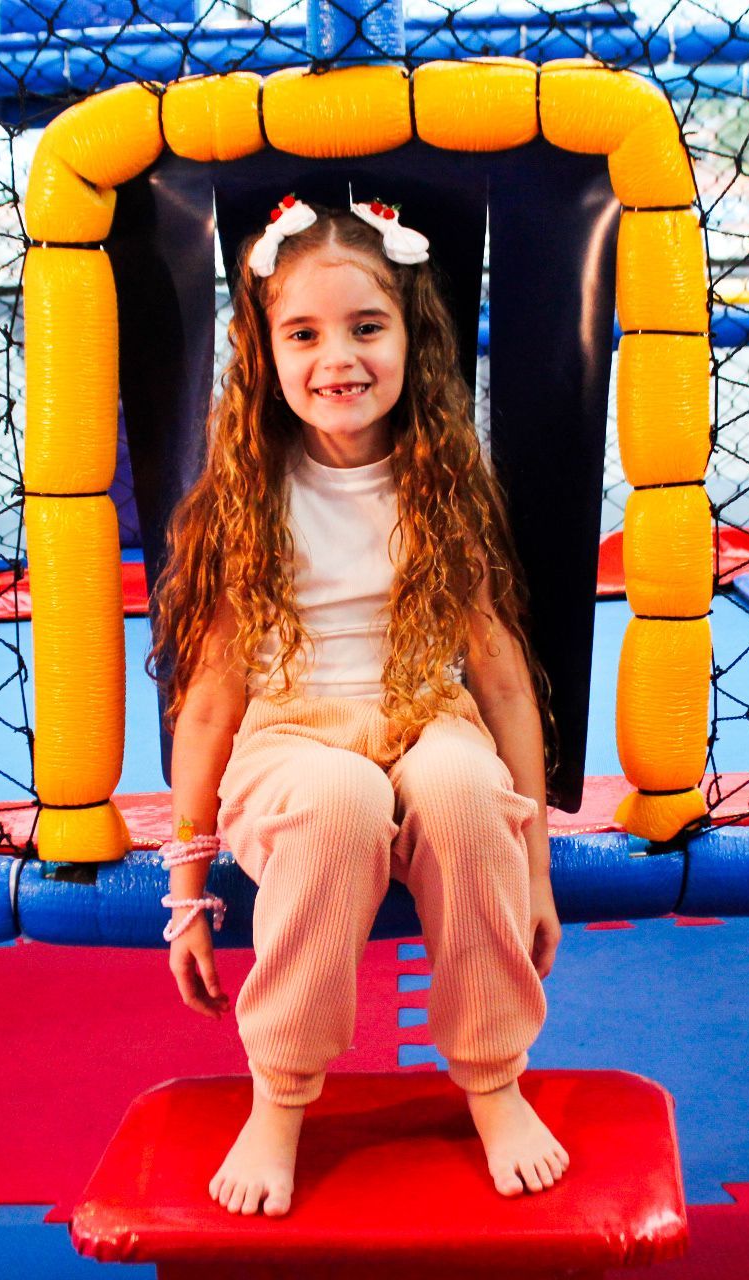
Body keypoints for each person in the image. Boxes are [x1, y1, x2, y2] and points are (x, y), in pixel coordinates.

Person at [145, 192, 569, 1218]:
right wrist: (189, 888)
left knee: (467, 792)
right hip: (291, 736)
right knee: (335, 799)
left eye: (365, 326)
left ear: (410, 339)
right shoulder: (249, 493)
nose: (338, 356)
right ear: (267, 351)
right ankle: (280, 1095)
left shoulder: (441, 478)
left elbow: (503, 676)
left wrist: (536, 862)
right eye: (305, 333)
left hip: (428, 708)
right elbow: (207, 707)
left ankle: (492, 1076)